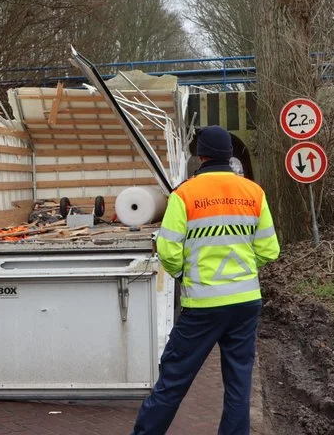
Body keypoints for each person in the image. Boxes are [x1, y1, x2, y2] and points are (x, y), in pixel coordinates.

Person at [131, 125, 281, 435]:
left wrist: (184, 274)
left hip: (203, 306)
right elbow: (269, 250)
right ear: (229, 156)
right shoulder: (254, 192)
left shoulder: (185, 194)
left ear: (201, 157)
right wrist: (243, 270)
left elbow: (168, 250)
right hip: (245, 303)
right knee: (239, 384)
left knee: (174, 379)